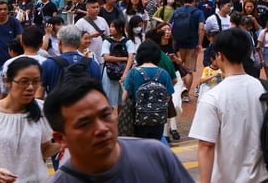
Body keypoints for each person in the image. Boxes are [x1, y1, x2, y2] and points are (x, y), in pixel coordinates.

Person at [43, 77, 191, 182]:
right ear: (61, 138)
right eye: (85, 124)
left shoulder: (156, 154)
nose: (101, 129)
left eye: (106, 115)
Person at [190, 27, 268, 183]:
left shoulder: (213, 97)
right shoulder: (267, 89)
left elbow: (206, 146)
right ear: (248, 54)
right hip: (265, 178)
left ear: (220, 55)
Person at [0, 57, 60, 183]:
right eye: (24, 81)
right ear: (8, 81)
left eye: (36, 81)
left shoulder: (42, 109)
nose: (31, 87)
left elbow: (43, 151)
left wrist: (66, 140)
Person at [121, 40, 173, 140]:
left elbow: (124, 97)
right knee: (154, 147)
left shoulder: (133, 72)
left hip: (138, 118)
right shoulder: (164, 73)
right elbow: (168, 98)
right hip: (158, 119)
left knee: (139, 147)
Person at [39, 25, 101, 97]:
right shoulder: (93, 64)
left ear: (60, 42)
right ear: (78, 43)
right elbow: (98, 94)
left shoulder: (49, 64)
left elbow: (39, 95)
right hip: (85, 107)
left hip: (58, 107)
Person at [100, 19, 131, 113]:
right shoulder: (107, 41)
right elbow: (107, 58)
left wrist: (125, 73)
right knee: (109, 100)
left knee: (122, 101)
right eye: (110, 26)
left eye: (113, 27)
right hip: (110, 73)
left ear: (120, 28)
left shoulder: (127, 41)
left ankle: (120, 122)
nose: (110, 29)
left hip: (123, 73)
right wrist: (124, 59)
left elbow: (131, 57)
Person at [75, 0, 111, 64]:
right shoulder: (80, 23)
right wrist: (90, 36)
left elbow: (108, 36)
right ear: (87, 8)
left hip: (101, 56)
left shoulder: (102, 20)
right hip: (87, 56)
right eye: (93, 7)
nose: (96, 9)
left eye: (98, 7)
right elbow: (75, 40)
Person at [0, 0, 24, 68]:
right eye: (0, 9)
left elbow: (20, 39)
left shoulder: (14, 22)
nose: (2, 11)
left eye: (5, 9)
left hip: (12, 60)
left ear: (8, 10)